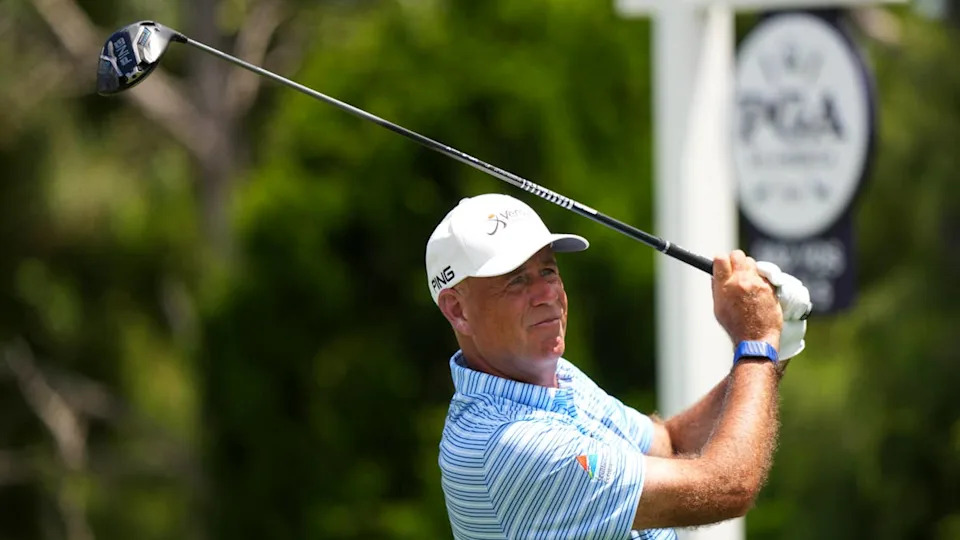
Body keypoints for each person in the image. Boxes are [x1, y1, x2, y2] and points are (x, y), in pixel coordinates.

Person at [425, 193, 810, 539]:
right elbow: (726, 487)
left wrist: (776, 349)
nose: (548, 293)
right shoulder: (502, 445)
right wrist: (757, 342)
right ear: (457, 309)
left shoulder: (557, 380)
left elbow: (670, 446)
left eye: (548, 270)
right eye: (515, 280)